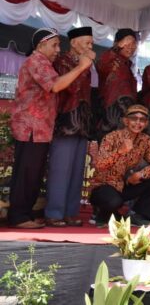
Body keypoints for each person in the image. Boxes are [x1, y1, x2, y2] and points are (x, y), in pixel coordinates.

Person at [9, 28, 93, 229]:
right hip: (30, 127)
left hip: (41, 129)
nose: (57, 49)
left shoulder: (44, 63)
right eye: (54, 45)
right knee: (26, 174)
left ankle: (25, 215)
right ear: (41, 45)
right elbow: (56, 86)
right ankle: (18, 217)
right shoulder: (36, 61)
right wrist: (81, 66)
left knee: (34, 174)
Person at [45, 26, 96, 227]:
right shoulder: (62, 61)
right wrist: (83, 66)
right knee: (60, 169)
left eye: (92, 43)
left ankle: (70, 212)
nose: (90, 46)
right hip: (65, 122)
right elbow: (71, 88)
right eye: (87, 43)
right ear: (74, 43)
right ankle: (54, 212)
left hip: (81, 122)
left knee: (76, 171)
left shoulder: (84, 63)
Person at [89, 105, 150, 226]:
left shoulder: (145, 140)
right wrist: (120, 151)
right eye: (134, 119)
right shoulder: (111, 137)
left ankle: (137, 215)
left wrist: (142, 174)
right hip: (105, 186)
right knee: (113, 201)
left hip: (126, 184)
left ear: (146, 123)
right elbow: (99, 165)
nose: (138, 123)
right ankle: (102, 214)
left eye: (142, 120)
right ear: (126, 121)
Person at [96, 28, 138, 138]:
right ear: (117, 43)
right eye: (126, 43)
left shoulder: (128, 66)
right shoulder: (110, 58)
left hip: (125, 119)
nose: (130, 47)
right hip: (108, 117)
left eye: (133, 43)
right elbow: (101, 65)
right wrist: (116, 47)